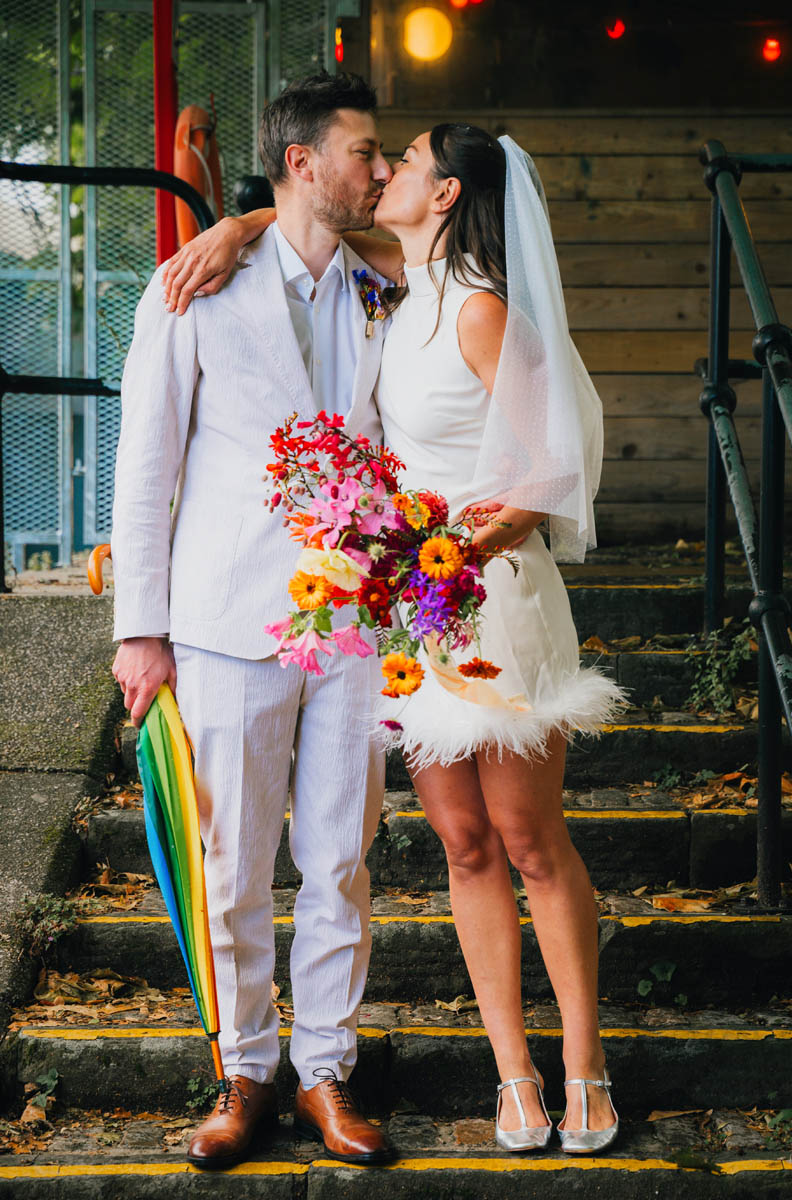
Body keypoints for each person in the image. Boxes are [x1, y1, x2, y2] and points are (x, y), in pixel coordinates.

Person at [163, 121, 626, 1153]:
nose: (383, 175)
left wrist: (448, 549)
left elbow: (550, 472)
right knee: (461, 847)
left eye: (402, 163)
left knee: (529, 844)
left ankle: (584, 1064)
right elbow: (307, 227)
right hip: (417, 610)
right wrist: (236, 222)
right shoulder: (398, 286)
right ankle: (514, 1077)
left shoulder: (478, 309)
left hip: (488, 596)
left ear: (447, 191)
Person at [110, 73, 398, 1170]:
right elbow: (147, 465)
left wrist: (239, 219)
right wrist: (144, 630)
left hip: (356, 624)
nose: (378, 170)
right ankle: (244, 1070)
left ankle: (326, 1073)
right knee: (231, 862)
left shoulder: (387, 288)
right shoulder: (193, 290)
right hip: (226, 618)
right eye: (363, 152)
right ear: (302, 162)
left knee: (340, 859)